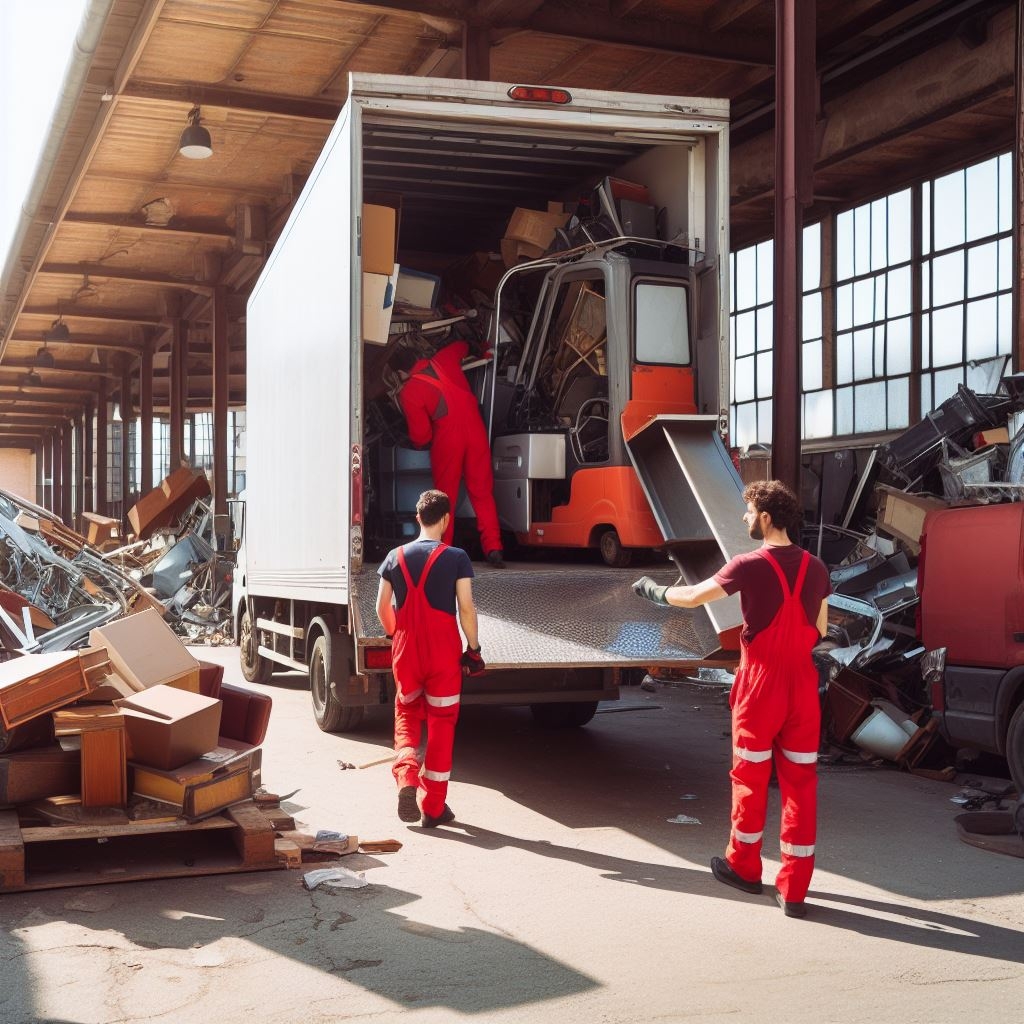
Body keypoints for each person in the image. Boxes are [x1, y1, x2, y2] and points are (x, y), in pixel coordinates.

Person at [632, 480, 831, 918]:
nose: (743, 519)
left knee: (750, 776)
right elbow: (821, 628)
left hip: (761, 685)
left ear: (764, 517)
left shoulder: (749, 564)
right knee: (801, 783)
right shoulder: (816, 567)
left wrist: (653, 590)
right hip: (802, 684)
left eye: (747, 512)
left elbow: (693, 597)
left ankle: (744, 866)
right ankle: (795, 889)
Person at [376, 489, 487, 827]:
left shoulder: (394, 557)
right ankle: (434, 807)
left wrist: (397, 633)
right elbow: (466, 607)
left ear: (417, 518)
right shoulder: (456, 557)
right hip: (442, 653)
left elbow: (381, 608)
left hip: (406, 650)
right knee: (441, 724)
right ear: (446, 520)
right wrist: (474, 649)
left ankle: (407, 778)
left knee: (407, 715)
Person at [390, 340, 505, 567]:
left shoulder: (409, 391)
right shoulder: (445, 357)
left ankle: (443, 552)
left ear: (401, 372)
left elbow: (422, 437)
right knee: (482, 492)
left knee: (445, 498)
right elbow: (463, 345)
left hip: (448, 438)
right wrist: (484, 348)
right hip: (476, 430)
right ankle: (494, 548)